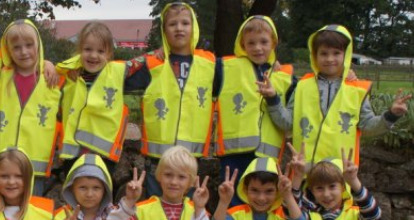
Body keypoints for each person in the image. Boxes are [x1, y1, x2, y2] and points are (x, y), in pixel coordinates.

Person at [261, 24, 410, 168]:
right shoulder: (302, 86)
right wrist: (273, 99)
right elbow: (287, 123)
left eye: (336, 53)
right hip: (305, 176)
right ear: (314, 55)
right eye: (324, 53)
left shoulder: (356, 90)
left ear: (346, 55)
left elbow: (368, 127)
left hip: (339, 179)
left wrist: (391, 115)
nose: (330, 59)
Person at [138, 3, 216, 197]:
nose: (179, 28)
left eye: (185, 23)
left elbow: (242, 72)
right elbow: (116, 73)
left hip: (190, 160)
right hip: (158, 160)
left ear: (194, 27)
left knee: (188, 215)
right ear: (164, 30)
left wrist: (270, 66)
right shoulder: (152, 62)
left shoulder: (210, 63)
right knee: (155, 211)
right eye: (172, 24)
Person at [215, 15, 294, 201]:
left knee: (264, 207)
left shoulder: (286, 76)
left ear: (274, 42)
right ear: (242, 44)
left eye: (264, 42)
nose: (258, 48)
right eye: (251, 43)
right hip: (234, 156)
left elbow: (290, 119)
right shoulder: (225, 67)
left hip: (267, 157)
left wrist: (345, 73)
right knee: (232, 205)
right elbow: (196, 69)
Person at [0, 19, 64, 196]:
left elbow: (81, 64)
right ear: (8, 49)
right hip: (3, 162)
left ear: (38, 45)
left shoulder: (52, 77)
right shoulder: (0, 76)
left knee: (31, 214)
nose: (23, 52)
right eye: (16, 47)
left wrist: (48, 63)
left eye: (29, 45)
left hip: (34, 164)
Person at [56, 21, 138, 170]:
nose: (94, 55)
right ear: (80, 50)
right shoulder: (69, 72)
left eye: (100, 51)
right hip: (73, 153)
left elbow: (142, 63)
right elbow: (49, 72)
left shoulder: (116, 73)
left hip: (103, 155)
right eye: (88, 49)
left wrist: (160, 51)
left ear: (109, 54)